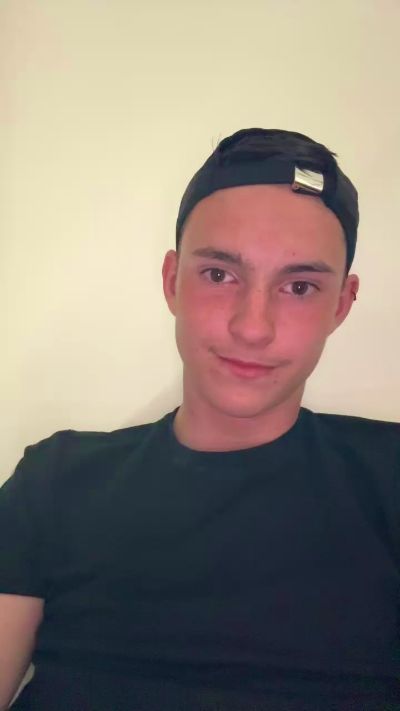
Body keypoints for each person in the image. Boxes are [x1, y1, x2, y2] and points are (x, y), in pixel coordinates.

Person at [1, 127, 399, 711]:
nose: (252, 327)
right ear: (172, 282)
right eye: (219, 275)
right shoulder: (56, 479)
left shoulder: (389, 478)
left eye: (299, 286)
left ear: (340, 304)